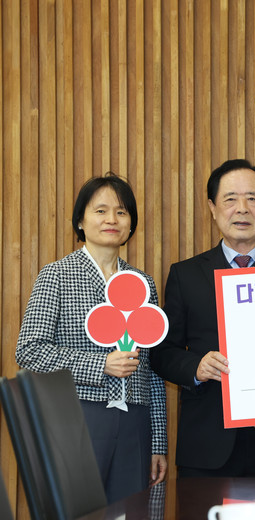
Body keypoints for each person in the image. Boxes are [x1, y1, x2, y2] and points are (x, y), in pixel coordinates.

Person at [150, 159, 255, 477]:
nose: (242, 208)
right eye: (230, 199)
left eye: (252, 198)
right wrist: (196, 367)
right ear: (212, 208)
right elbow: (163, 353)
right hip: (208, 445)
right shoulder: (185, 274)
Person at [16, 173, 167, 502]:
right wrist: (100, 364)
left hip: (135, 422)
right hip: (77, 416)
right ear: (80, 221)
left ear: (131, 224)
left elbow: (152, 368)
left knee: (132, 512)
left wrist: (158, 442)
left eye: (121, 212)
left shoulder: (143, 283)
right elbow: (29, 350)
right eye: (101, 211)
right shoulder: (56, 274)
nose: (112, 219)